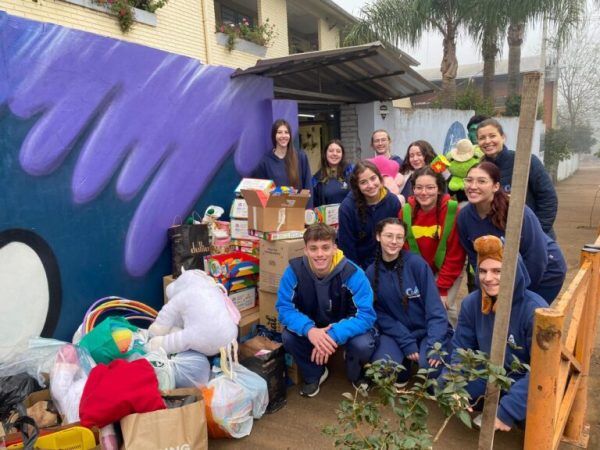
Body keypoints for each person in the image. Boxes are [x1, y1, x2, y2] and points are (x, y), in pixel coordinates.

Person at [450, 235, 548, 431]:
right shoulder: (472, 303)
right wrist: (455, 384)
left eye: (498, 271)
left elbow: (542, 370)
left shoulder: (534, 310)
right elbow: (461, 347)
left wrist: (508, 411)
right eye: (483, 271)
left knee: (534, 420)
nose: (488, 278)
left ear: (513, 271)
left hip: (522, 379)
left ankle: (506, 410)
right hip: (489, 373)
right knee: (444, 386)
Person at [276, 223, 378, 397]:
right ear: (305, 250)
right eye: (313, 248)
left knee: (363, 344)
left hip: (345, 327)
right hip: (314, 326)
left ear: (334, 248)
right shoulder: (294, 271)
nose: (320, 254)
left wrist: (332, 335)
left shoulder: (353, 273)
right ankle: (315, 373)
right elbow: (284, 308)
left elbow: (366, 316)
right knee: (288, 337)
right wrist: (310, 330)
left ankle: (355, 373)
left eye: (325, 247)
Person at [457, 162, 566, 303]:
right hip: (502, 273)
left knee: (523, 316)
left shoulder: (517, 211)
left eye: (481, 181)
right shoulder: (464, 217)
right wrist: (485, 286)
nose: (473, 186)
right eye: (469, 180)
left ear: (495, 186)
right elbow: (475, 258)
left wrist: (517, 294)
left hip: (545, 271)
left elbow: (536, 258)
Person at [367, 218, 452, 380]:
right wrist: (406, 341)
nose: (394, 242)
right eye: (388, 236)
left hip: (427, 330)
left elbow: (435, 309)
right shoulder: (372, 273)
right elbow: (379, 314)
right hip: (397, 334)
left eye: (399, 237)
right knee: (383, 369)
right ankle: (404, 364)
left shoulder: (416, 265)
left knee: (429, 368)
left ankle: (421, 354)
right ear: (378, 236)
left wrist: (435, 345)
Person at [401, 167, 466, 325]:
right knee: (418, 307)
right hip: (420, 270)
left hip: (448, 268)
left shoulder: (451, 211)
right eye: (419, 187)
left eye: (430, 187)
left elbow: (455, 256)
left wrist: (441, 289)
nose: (424, 193)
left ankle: (452, 343)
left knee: (441, 307)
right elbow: (405, 250)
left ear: (438, 189)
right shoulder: (406, 212)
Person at [476, 118, 558, 238]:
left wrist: (537, 233)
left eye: (492, 136)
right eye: (482, 138)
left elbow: (548, 200)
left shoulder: (526, 161)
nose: (487, 141)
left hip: (535, 237)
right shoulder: (479, 170)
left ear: (503, 137)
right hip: (498, 240)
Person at [338, 160, 401, 269]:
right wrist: (357, 272)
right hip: (360, 266)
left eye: (373, 178)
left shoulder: (392, 202)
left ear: (380, 179)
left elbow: (398, 236)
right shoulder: (347, 208)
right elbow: (347, 247)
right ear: (357, 186)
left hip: (388, 263)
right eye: (363, 182)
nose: (370, 185)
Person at [253, 119, 313, 207]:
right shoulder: (265, 161)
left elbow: (308, 186)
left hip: (297, 212)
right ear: (274, 135)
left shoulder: (301, 157)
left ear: (290, 135)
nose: (283, 136)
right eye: (279, 132)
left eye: (286, 132)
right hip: (274, 213)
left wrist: (308, 211)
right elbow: (261, 192)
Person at [312, 139, 353, 208]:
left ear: (342, 154)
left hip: (350, 216)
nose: (334, 154)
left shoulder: (351, 171)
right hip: (327, 217)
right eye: (331, 151)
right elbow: (314, 204)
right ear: (325, 153)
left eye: (338, 151)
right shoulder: (317, 178)